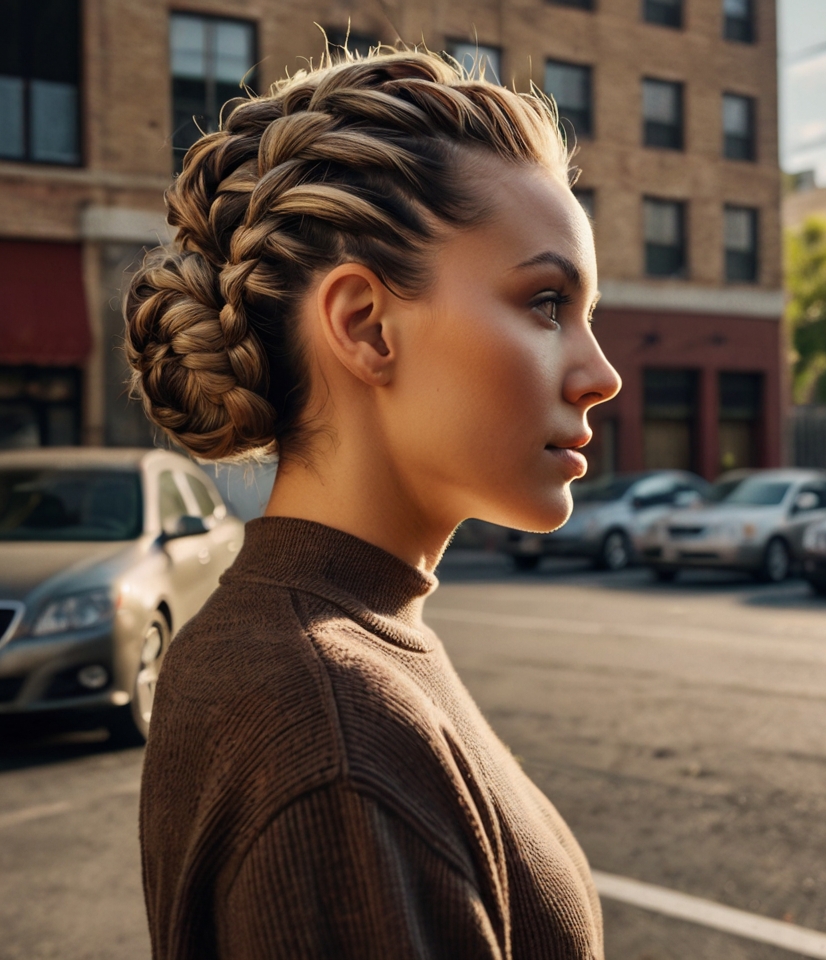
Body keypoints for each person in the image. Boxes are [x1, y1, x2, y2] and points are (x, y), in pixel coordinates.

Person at [126, 46, 621, 960]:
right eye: (548, 304)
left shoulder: (328, 642)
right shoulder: (331, 726)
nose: (601, 375)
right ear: (364, 325)